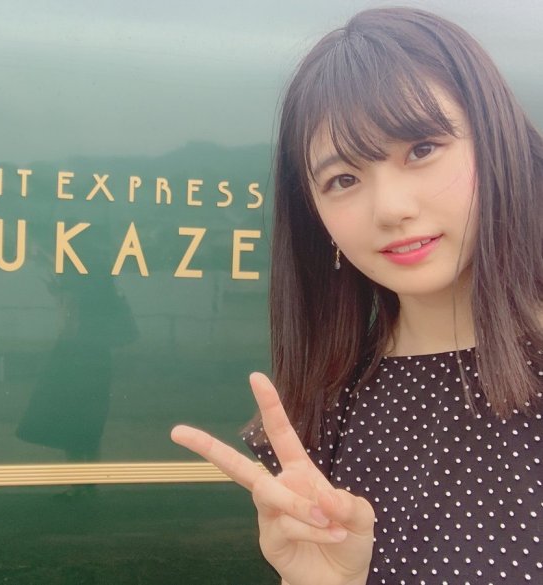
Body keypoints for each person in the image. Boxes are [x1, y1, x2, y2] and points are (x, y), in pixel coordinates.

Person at [171, 7, 543, 584]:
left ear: (497, 143)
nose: (390, 208)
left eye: (422, 149)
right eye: (343, 179)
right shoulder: (321, 415)